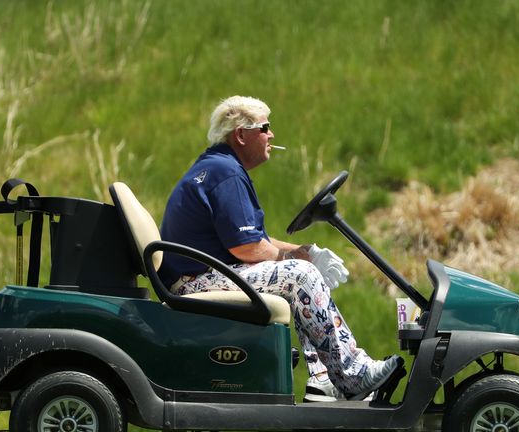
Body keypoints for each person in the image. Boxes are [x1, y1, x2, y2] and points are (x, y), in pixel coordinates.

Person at [158, 95, 400, 401]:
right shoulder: (226, 173)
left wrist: (305, 250)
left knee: (299, 271)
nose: (271, 135)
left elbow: (257, 240)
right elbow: (247, 248)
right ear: (240, 135)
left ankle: (323, 378)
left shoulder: (220, 166)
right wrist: (298, 260)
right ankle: (353, 375)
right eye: (264, 128)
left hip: (205, 275)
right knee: (299, 276)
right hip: (196, 283)